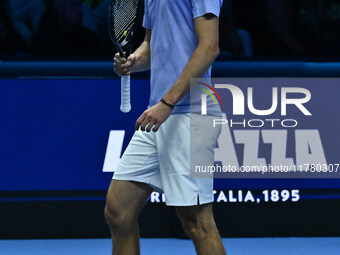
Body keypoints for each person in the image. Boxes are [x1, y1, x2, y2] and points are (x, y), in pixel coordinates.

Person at [105, 1, 227, 255]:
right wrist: (133, 61)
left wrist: (167, 102)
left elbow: (209, 46)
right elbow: (152, 45)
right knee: (118, 211)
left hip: (190, 114)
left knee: (197, 223)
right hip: (158, 116)